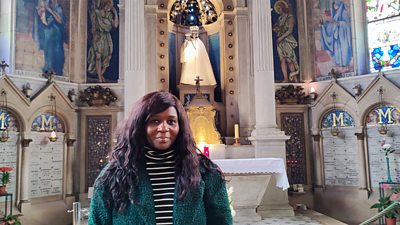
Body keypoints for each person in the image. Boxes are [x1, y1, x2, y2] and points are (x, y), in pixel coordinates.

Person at [88, 91, 233, 225]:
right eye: (155, 121)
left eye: (171, 121)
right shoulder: (113, 175)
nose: (164, 128)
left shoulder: (205, 172)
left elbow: (222, 220)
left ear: (180, 126)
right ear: (139, 125)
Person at [87, 0, 119, 83]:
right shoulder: (97, 13)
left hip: (106, 37)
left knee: (108, 56)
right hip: (98, 36)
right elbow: (93, 25)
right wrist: (94, 36)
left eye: (110, 6)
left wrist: (115, 13)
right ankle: (99, 77)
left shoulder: (109, 15)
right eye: (108, 5)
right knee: (98, 56)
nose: (109, 7)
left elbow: (115, 25)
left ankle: (100, 74)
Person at [33, 0, 66, 75]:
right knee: (48, 50)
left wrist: (50, 10)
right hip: (48, 33)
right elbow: (41, 18)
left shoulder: (58, 8)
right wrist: (42, 11)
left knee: (57, 51)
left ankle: (57, 69)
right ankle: (48, 68)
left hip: (57, 34)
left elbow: (60, 21)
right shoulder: (44, 5)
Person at [273, 0, 300, 83]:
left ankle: (295, 78)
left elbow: (290, 30)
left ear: (283, 8)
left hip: (287, 40)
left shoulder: (290, 17)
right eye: (277, 8)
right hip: (280, 41)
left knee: (289, 59)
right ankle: (286, 78)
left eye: (279, 7)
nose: (278, 10)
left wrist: (281, 37)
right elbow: (277, 28)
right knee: (282, 60)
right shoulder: (279, 19)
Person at [320, 0, 352, 67]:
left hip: (343, 37)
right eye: (334, 4)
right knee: (337, 51)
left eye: (336, 4)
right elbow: (330, 27)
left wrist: (337, 23)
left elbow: (346, 24)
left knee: (343, 51)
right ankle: (338, 64)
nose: (335, 6)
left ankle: (344, 64)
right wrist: (323, 26)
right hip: (336, 37)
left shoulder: (344, 12)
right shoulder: (334, 14)